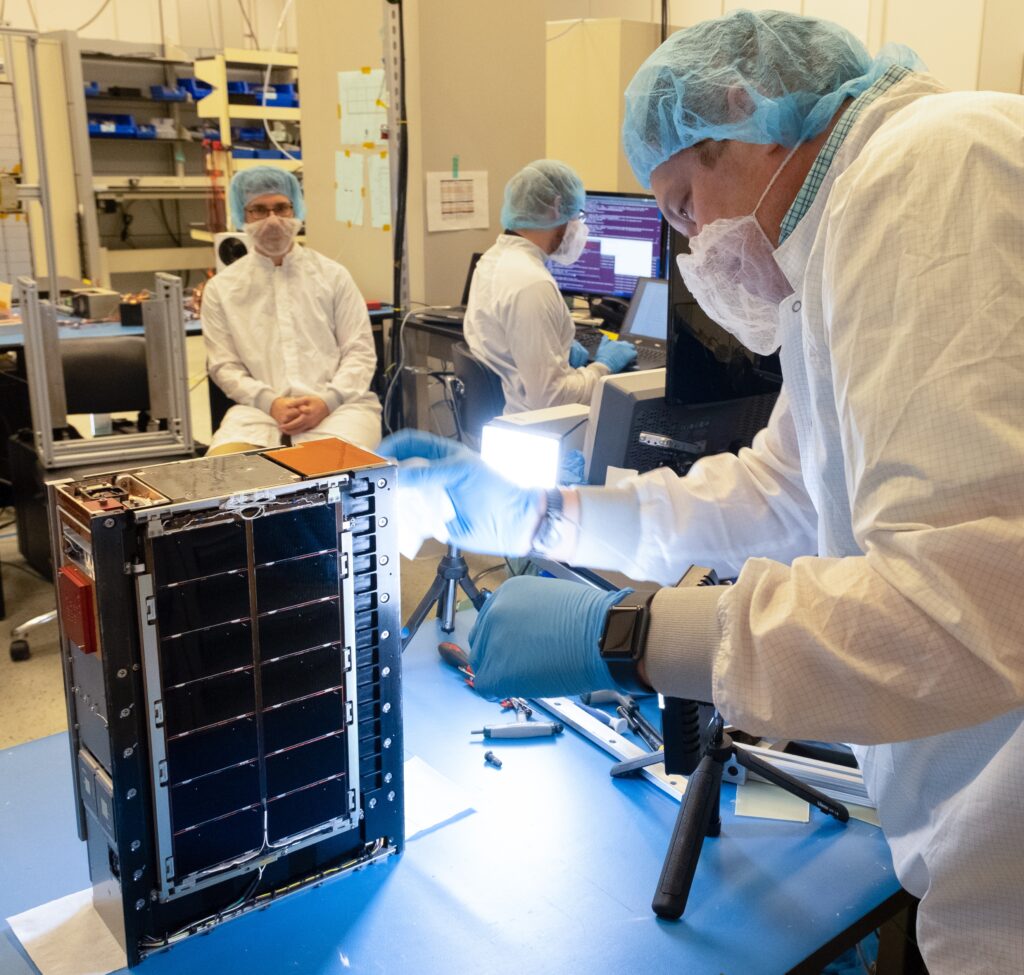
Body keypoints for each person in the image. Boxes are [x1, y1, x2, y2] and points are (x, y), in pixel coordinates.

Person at [382, 10, 1024, 973]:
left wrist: (632, 637)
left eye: (683, 202)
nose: (688, 245)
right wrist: (544, 513)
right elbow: (782, 488)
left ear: (741, 111)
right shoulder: (843, 245)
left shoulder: (923, 171)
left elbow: (963, 602)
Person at [202, 166, 382, 454]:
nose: (272, 220)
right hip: (258, 413)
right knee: (224, 480)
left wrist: (327, 401)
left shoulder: (332, 276)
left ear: (296, 209)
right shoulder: (222, 289)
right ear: (241, 215)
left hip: (341, 409)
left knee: (329, 479)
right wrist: (269, 403)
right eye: (259, 210)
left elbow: (359, 351)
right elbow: (224, 365)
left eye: (281, 208)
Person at [462, 159, 637, 413]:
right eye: (577, 215)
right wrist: (603, 368)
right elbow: (551, 398)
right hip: (544, 430)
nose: (578, 227)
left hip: (513, 425)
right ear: (557, 207)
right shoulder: (532, 284)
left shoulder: (493, 260)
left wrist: (562, 350)